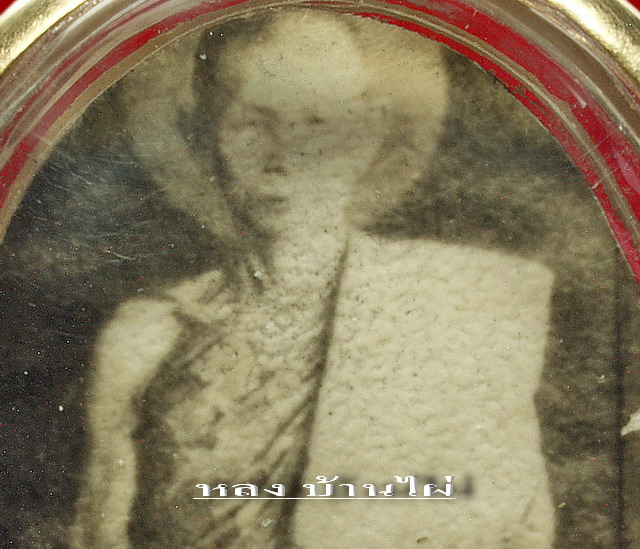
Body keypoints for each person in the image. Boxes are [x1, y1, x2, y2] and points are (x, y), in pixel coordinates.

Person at [66, 9, 562, 548]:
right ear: (202, 133)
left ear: (367, 134)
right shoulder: (148, 339)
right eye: (251, 124)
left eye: (317, 123)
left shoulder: (461, 308)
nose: (283, 157)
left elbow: (516, 526)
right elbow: (97, 537)